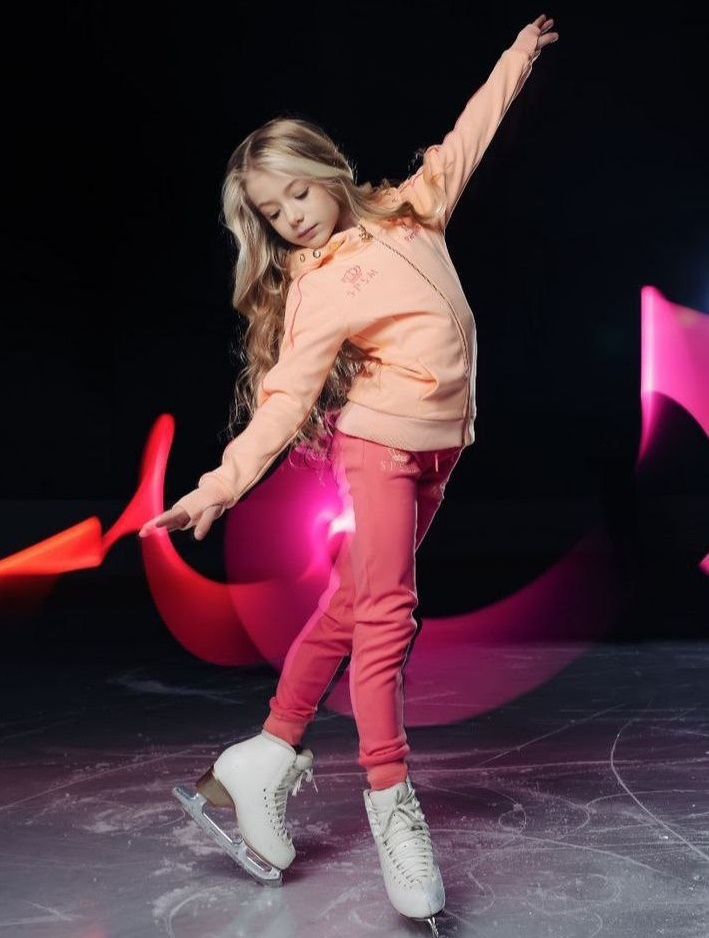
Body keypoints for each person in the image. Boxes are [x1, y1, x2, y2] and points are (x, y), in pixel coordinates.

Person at [139, 13, 558, 934]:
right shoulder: (316, 285)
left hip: (440, 451)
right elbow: (285, 398)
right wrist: (220, 484)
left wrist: (517, 56)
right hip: (377, 448)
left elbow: (470, 133)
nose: (291, 216)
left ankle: (264, 756)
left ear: (327, 171)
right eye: (271, 211)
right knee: (385, 617)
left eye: (297, 193)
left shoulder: (413, 208)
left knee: (351, 603)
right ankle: (390, 802)